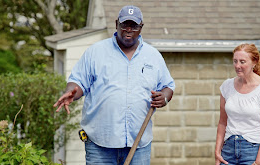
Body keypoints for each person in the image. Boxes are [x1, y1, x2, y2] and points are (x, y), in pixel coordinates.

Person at [53, 5, 175, 165]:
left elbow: (168, 86)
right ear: (117, 24)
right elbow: (78, 81)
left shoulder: (153, 56)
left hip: (138, 145)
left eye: (134, 26)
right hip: (100, 145)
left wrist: (164, 97)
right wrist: (72, 92)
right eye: (125, 25)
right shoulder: (95, 52)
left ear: (141, 27)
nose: (129, 30)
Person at [215, 43, 260, 165]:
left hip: (254, 151)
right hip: (228, 152)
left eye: (242, 62)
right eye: (235, 61)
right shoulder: (226, 86)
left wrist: (259, 161)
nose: (237, 66)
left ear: (254, 62)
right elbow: (222, 122)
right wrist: (217, 152)